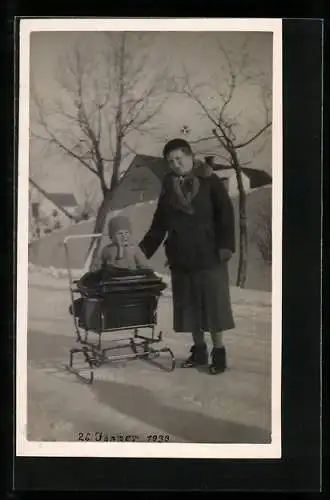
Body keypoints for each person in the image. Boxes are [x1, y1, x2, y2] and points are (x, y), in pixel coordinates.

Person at [139, 138, 236, 375]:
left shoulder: (210, 181)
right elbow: (158, 225)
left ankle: (219, 353)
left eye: (179, 158)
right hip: (181, 257)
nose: (175, 164)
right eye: (170, 161)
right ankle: (200, 350)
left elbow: (226, 215)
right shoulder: (168, 187)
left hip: (209, 256)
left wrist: (225, 247)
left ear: (191, 157)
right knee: (190, 308)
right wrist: (141, 252)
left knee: (212, 308)